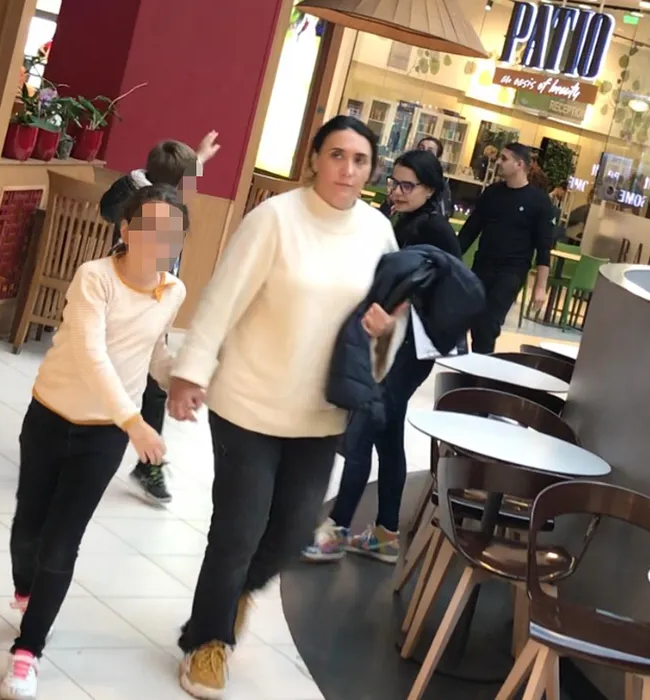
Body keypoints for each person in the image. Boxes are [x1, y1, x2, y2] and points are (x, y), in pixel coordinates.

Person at [166, 115, 406, 699]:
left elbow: (390, 320)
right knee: (238, 529)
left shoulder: (378, 232)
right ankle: (208, 641)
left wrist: (385, 329)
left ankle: (233, 597)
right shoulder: (275, 218)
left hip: (320, 412)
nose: (347, 169)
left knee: (295, 529)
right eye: (337, 155)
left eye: (360, 160)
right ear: (315, 159)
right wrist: (191, 371)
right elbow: (224, 296)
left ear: (371, 171)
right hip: (248, 402)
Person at [0, 185, 189, 700]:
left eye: (172, 233)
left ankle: (28, 650)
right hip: (50, 415)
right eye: (150, 228)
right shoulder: (95, 277)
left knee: (62, 542)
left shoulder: (173, 291)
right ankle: (27, 591)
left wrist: (183, 380)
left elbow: (153, 351)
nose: (161, 241)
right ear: (126, 230)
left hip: (103, 436)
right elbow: (91, 353)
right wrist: (135, 421)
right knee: (28, 530)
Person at [303, 149, 461, 565]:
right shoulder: (401, 221)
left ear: (430, 190)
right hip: (394, 343)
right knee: (387, 437)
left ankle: (336, 530)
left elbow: (447, 292)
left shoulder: (435, 230)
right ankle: (386, 534)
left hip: (410, 349)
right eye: (394, 182)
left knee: (362, 432)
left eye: (408, 185)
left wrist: (403, 312)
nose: (397, 191)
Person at [98, 132, 220, 506]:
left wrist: (198, 157)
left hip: (157, 303)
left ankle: (148, 463)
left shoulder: (161, 192)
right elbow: (109, 209)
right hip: (125, 304)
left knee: (152, 385)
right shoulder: (137, 202)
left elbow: (175, 181)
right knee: (105, 373)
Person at [458, 143, 554, 353]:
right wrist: (451, 259)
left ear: (519, 164)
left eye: (504, 159)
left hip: (511, 271)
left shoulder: (539, 202)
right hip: (483, 265)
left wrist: (540, 287)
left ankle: (481, 366)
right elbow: (470, 230)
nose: (498, 162)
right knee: (471, 317)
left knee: (488, 322)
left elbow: (543, 248)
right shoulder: (492, 193)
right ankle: (473, 363)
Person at [415, 136, 453, 219]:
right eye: (421, 148)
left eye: (430, 151)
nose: (424, 152)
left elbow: (443, 212)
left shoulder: (439, 182)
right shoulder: (406, 174)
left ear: (437, 158)